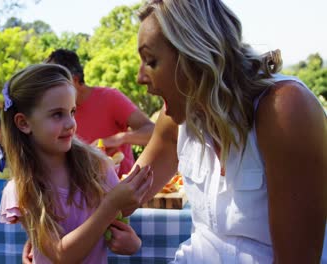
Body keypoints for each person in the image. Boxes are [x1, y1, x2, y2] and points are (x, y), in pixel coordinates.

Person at [129, 0, 326, 263]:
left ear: (194, 56)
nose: (140, 77)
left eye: (151, 61)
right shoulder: (176, 117)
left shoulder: (285, 109)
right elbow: (124, 195)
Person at [0, 63, 153, 263]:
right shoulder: (21, 189)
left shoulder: (97, 167)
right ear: (24, 123)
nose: (71, 123)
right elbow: (62, 255)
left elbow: (116, 224)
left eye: (72, 111)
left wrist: (130, 242)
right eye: (57, 114)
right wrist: (110, 204)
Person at [45, 49, 155, 177]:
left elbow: (154, 132)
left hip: (124, 188)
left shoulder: (110, 97)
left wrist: (120, 139)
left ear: (74, 80)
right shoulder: (52, 113)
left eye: (55, 85)